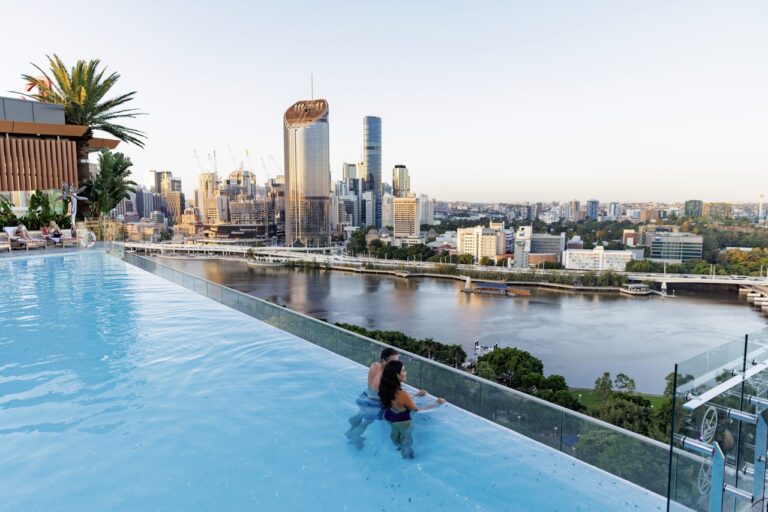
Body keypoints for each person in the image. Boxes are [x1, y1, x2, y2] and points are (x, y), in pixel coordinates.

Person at [345, 347, 426, 447]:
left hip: (364, 397)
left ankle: (353, 425)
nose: (395, 364)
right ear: (383, 361)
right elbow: (397, 396)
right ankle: (355, 439)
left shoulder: (374, 365)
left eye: (397, 361)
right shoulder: (384, 379)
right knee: (366, 423)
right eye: (393, 361)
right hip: (374, 404)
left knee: (362, 414)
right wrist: (416, 394)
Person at [379, 360, 446, 459]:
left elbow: (397, 399)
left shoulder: (385, 388)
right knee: (407, 443)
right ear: (397, 375)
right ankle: (408, 459)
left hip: (391, 417)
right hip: (403, 423)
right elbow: (418, 410)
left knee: (394, 437)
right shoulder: (403, 394)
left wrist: (416, 394)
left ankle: (398, 447)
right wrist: (436, 403)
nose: (406, 373)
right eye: (403, 370)